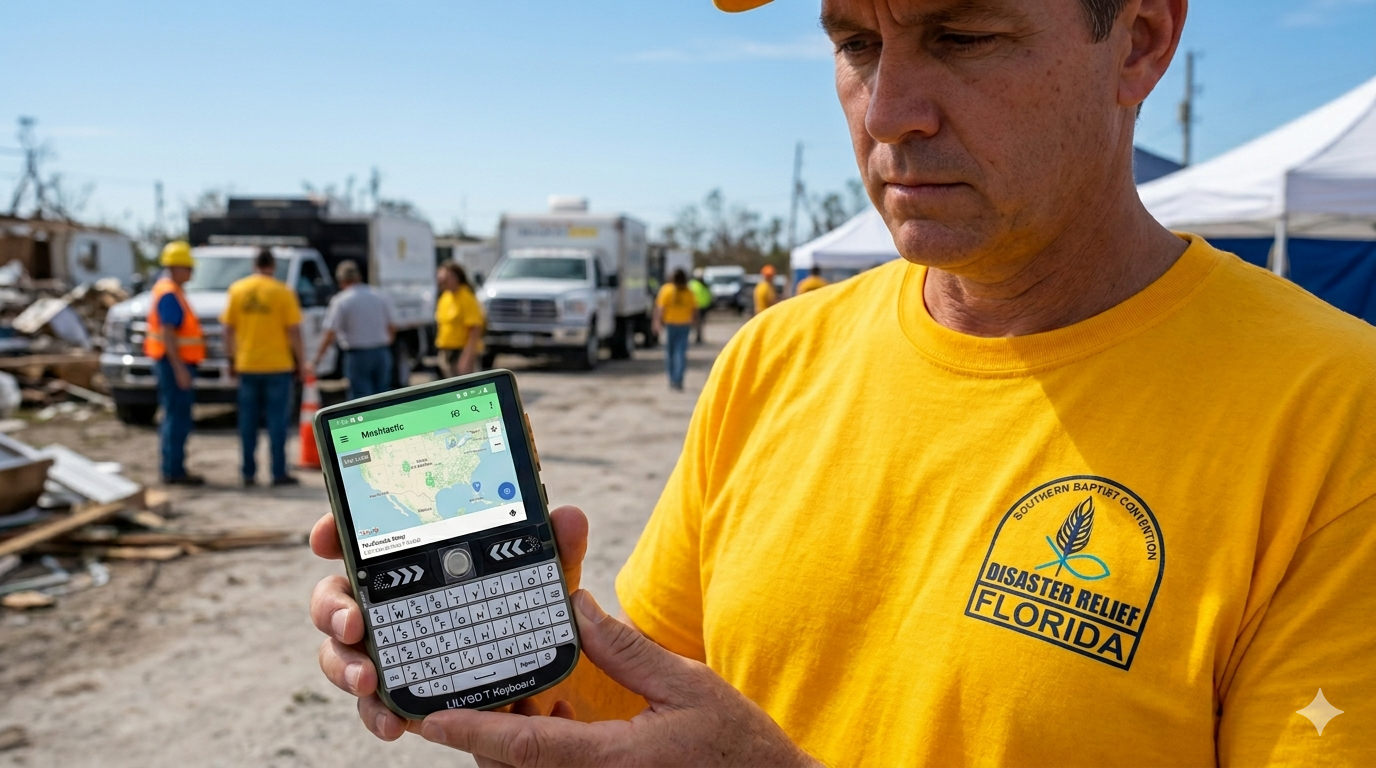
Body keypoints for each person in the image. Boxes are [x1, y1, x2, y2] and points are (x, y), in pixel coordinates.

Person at [308, 0, 1376, 765]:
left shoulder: (1332, 412)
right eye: (856, 42)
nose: (888, 111)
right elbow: (653, 720)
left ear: (1139, 41)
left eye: (963, 35)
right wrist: (534, 666)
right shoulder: (775, 359)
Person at [221, 247, 306, 487]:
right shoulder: (283, 292)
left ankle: (248, 472)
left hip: (247, 365)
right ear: (274, 266)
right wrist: (301, 363)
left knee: (247, 423)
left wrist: (230, 359)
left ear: (254, 265)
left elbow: (227, 329)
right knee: (277, 423)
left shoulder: (238, 290)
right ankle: (278, 472)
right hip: (278, 366)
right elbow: (294, 331)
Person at [144, 241, 205, 487]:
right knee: (176, 417)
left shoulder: (169, 290)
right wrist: (180, 369)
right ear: (176, 267)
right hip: (174, 365)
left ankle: (173, 468)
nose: (191, 272)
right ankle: (174, 470)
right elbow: (169, 334)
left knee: (175, 415)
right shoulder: (169, 293)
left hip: (171, 363)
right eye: (188, 268)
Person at [313, 260, 395, 401]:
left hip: (358, 355)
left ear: (341, 281)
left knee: (361, 398)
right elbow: (392, 326)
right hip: (381, 351)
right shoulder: (378, 295)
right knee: (382, 395)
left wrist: (317, 359)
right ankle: (385, 423)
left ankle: (366, 423)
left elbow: (330, 332)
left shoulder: (341, 300)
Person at [434, 261, 484, 378]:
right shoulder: (445, 297)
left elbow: (475, 329)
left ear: (456, 278)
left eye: (446, 277)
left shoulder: (466, 297)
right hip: (447, 351)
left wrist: (467, 358)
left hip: (461, 351)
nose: (442, 281)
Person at [653, 268, 697, 390]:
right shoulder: (688, 292)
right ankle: (678, 379)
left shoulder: (667, 290)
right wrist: (694, 322)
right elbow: (694, 309)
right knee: (680, 353)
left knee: (671, 353)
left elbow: (660, 308)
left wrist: (657, 322)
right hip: (683, 325)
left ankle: (673, 379)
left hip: (671, 325)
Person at [689, 269, 712, 344]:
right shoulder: (692, 284)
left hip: (703, 307)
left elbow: (708, 295)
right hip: (695, 307)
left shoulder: (704, 285)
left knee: (700, 323)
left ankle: (698, 336)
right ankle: (697, 336)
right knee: (696, 322)